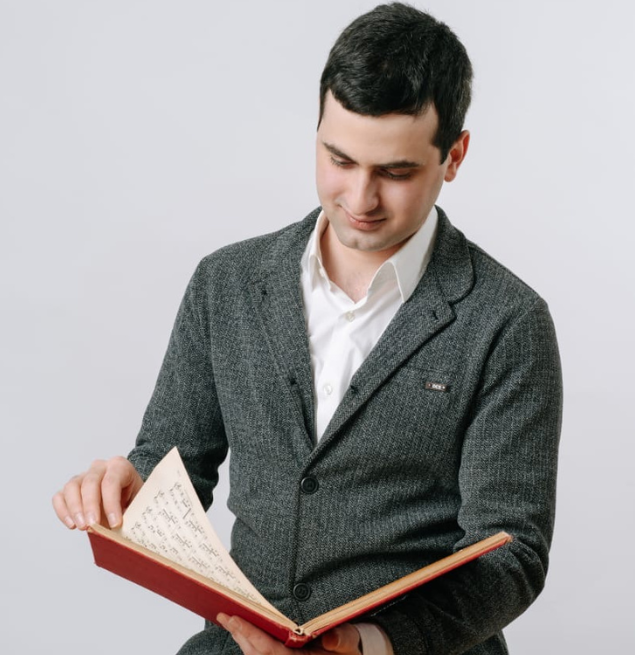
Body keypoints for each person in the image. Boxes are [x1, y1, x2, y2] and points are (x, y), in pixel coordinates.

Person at [52, 4, 562, 653]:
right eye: (338, 159)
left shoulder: (508, 321)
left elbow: (511, 555)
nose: (360, 198)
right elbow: (172, 466)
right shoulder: (225, 282)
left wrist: (368, 643)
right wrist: (129, 490)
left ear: (454, 156)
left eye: (396, 172)